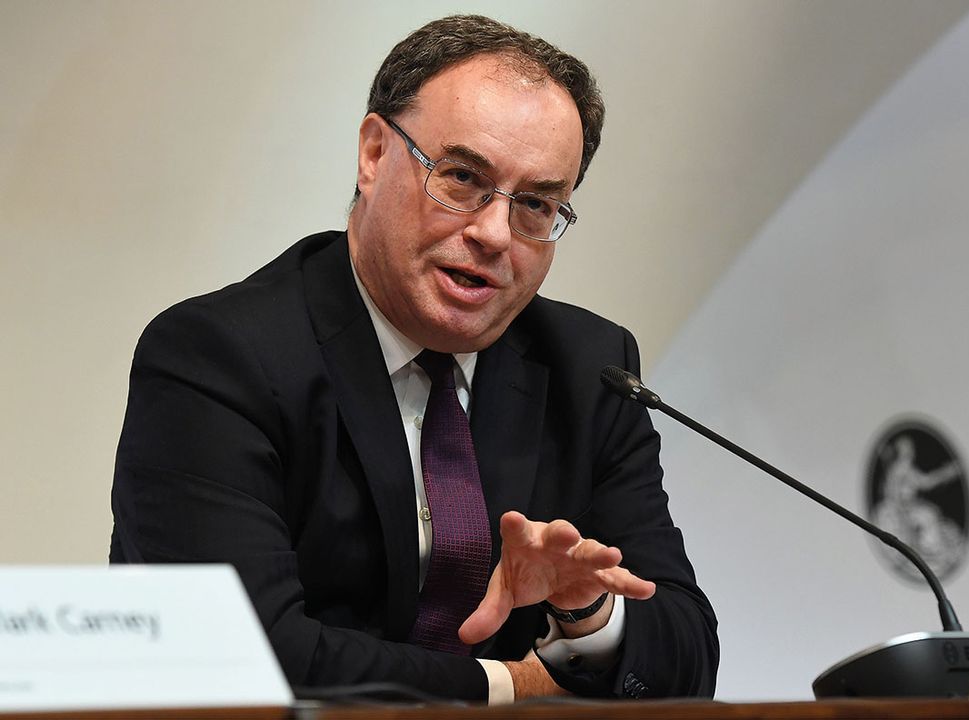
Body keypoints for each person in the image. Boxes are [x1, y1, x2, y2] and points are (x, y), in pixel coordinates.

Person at [109, 15, 718, 704]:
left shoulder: (591, 369)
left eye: (536, 206)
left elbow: (687, 659)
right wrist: (511, 687)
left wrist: (590, 613)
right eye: (461, 178)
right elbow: (244, 654)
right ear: (373, 154)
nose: (492, 233)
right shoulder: (219, 359)